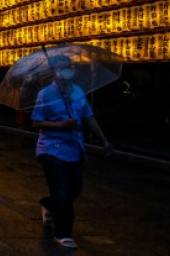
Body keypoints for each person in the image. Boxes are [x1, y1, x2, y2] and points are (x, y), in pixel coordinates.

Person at [31, 55, 112, 250]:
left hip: (75, 149)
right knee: (62, 190)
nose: (67, 70)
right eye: (62, 67)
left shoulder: (78, 92)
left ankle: (49, 204)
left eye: (69, 66)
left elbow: (89, 117)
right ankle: (62, 233)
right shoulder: (45, 94)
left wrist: (103, 140)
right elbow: (36, 122)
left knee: (74, 189)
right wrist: (60, 124)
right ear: (54, 72)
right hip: (51, 149)